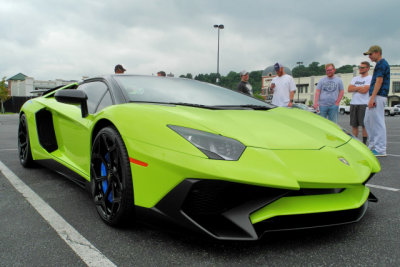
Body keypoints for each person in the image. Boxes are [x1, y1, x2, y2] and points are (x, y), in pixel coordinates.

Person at [363, 45, 390, 157]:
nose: (369, 56)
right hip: (376, 96)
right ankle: (374, 144)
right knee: (368, 121)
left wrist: (372, 98)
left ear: (377, 52)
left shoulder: (381, 64)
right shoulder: (380, 64)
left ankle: (380, 149)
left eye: (371, 54)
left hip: (378, 96)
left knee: (378, 122)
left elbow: (379, 81)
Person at [348, 61, 371, 144]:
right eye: (359, 67)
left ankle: (364, 144)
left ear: (368, 68)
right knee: (354, 125)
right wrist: (360, 87)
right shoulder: (355, 78)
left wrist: (356, 87)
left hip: (364, 104)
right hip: (354, 104)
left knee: (364, 125)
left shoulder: (370, 78)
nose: (360, 69)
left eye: (362, 67)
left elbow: (365, 90)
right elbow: (349, 89)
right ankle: (355, 143)